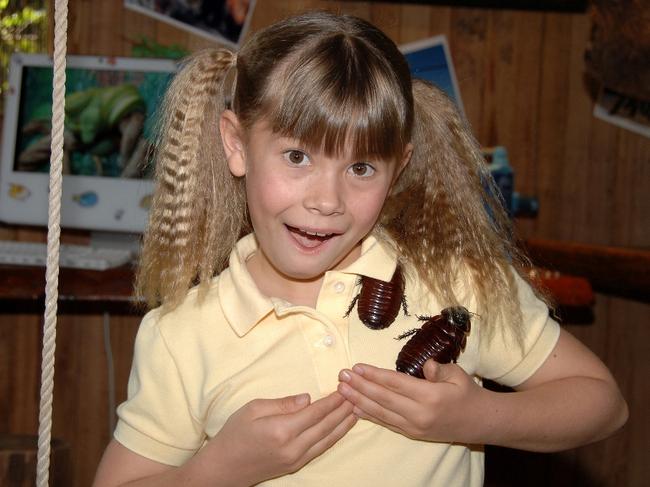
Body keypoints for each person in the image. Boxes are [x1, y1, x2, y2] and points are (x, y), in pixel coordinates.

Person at [93, 11, 628, 486]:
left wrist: (477, 417)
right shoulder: (181, 335)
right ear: (236, 144)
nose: (327, 201)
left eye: (361, 168)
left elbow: (601, 405)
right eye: (297, 157)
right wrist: (218, 471)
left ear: (398, 168)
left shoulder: (458, 283)